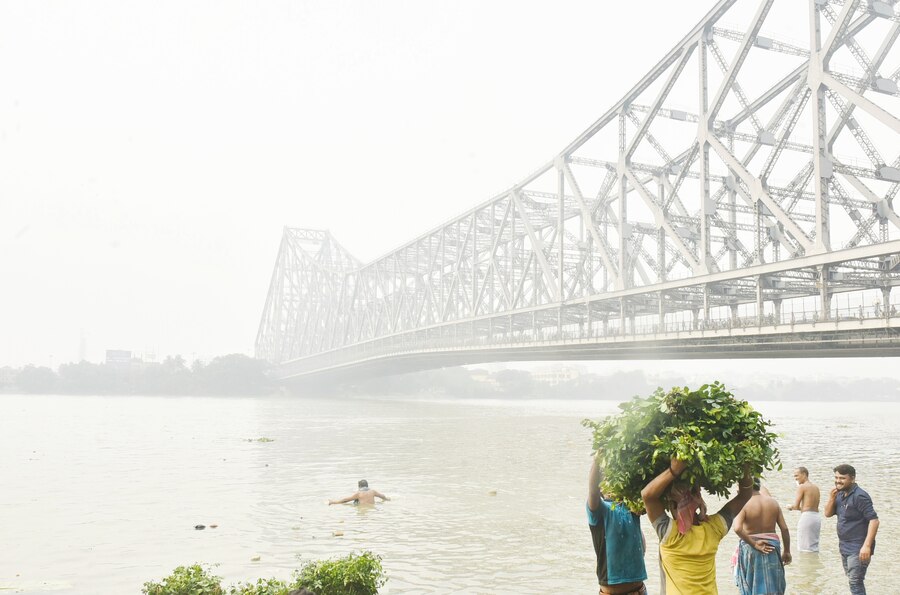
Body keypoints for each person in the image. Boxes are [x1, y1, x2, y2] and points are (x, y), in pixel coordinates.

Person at [641, 458, 752, 595]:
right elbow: (745, 495)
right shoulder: (713, 529)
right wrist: (745, 466)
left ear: (671, 506)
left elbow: (647, 496)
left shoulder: (670, 534)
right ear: (699, 502)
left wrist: (673, 470)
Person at [587, 455, 648, 595]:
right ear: (601, 487)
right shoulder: (601, 510)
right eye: (608, 480)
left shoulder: (632, 508)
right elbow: (592, 491)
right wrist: (598, 458)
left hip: (640, 590)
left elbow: (641, 546)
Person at [824, 464, 879, 595]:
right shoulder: (839, 494)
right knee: (852, 580)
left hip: (858, 547)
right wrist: (831, 498)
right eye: (836, 477)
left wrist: (867, 546)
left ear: (852, 479)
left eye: (842, 478)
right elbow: (827, 514)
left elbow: (874, 520)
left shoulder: (860, 496)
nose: (838, 481)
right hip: (844, 546)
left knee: (855, 582)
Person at [732, 478, 791, 595]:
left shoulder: (743, 504)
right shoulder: (773, 502)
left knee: (752, 584)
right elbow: (784, 528)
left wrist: (754, 544)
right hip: (772, 547)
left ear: (745, 487)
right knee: (773, 583)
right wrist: (787, 551)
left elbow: (737, 528)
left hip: (751, 548)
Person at [786, 466, 821, 552]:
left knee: (804, 547)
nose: (795, 478)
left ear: (804, 474)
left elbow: (796, 506)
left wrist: (790, 507)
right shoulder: (815, 487)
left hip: (807, 518)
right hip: (816, 517)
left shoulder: (802, 487)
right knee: (813, 546)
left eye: (797, 476)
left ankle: (806, 564)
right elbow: (810, 506)